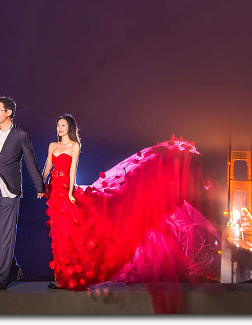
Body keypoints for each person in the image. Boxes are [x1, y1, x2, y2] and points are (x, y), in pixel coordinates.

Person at [41, 114, 219, 294]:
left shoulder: (74, 146)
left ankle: (68, 278)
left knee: (70, 232)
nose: (60, 128)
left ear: (69, 127)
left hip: (65, 191)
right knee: (58, 233)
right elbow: (48, 165)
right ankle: (61, 278)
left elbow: (73, 171)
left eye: (63, 125)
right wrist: (40, 182)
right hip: (53, 191)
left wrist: (71, 191)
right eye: (58, 126)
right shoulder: (52, 146)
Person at [0, 96, 46, 292]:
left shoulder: (21, 135)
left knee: (7, 235)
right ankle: (13, 268)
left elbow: (30, 162)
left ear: (9, 112)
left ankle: (0, 279)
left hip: (11, 190)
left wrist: (40, 187)